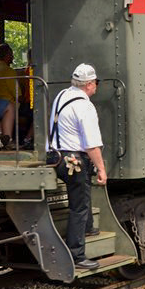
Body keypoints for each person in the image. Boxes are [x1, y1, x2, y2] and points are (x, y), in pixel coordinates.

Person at [47, 63, 107, 270]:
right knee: (78, 206)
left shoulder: (62, 95)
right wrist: (101, 168)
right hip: (73, 160)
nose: (96, 86)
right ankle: (77, 256)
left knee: (82, 193)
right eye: (96, 83)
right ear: (89, 84)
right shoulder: (84, 106)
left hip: (55, 157)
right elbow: (91, 144)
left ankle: (88, 228)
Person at [0, 43, 18, 148]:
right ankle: (8, 138)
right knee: (11, 106)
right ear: (7, 56)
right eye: (11, 55)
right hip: (0, 105)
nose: (13, 57)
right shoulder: (9, 71)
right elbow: (16, 94)